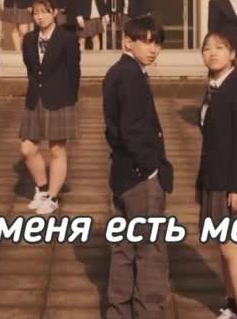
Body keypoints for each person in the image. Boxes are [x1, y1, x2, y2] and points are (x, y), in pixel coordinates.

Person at [103, 16, 173, 319]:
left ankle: (118, 311)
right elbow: (131, 131)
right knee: (150, 251)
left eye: (157, 42)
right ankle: (149, 312)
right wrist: (151, 169)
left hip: (121, 174)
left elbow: (113, 131)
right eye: (145, 41)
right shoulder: (131, 76)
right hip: (140, 177)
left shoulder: (116, 73)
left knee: (123, 249)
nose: (153, 49)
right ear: (127, 42)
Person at [196, 31, 237, 319]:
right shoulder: (213, 87)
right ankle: (232, 306)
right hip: (215, 179)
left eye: (220, 48)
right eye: (207, 48)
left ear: (233, 54)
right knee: (224, 249)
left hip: (234, 182)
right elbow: (211, 142)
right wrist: (202, 184)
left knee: (234, 250)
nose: (213, 53)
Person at [20, 0, 82, 215]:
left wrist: (70, 98)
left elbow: (74, 71)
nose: (40, 17)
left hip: (60, 99)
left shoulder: (67, 38)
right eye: (36, 13)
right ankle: (43, 189)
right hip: (34, 98)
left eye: (44, 12)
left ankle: (53, 197)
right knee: (27, 148)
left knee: (57, 150)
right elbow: (30, 69)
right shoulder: (28, 39)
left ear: (54, 12)